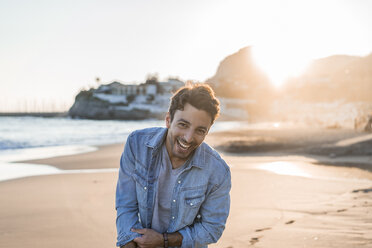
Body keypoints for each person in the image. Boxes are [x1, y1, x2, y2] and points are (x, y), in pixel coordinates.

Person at [115, 84, 231, 248]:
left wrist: (163, 240)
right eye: (183, 125)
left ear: (208, 131)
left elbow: (212, 229)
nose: (189, 138)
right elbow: (126, 205)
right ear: (168, 120)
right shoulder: (137, 144)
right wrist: (130, 242)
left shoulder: (218, 172)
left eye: (200, 130)